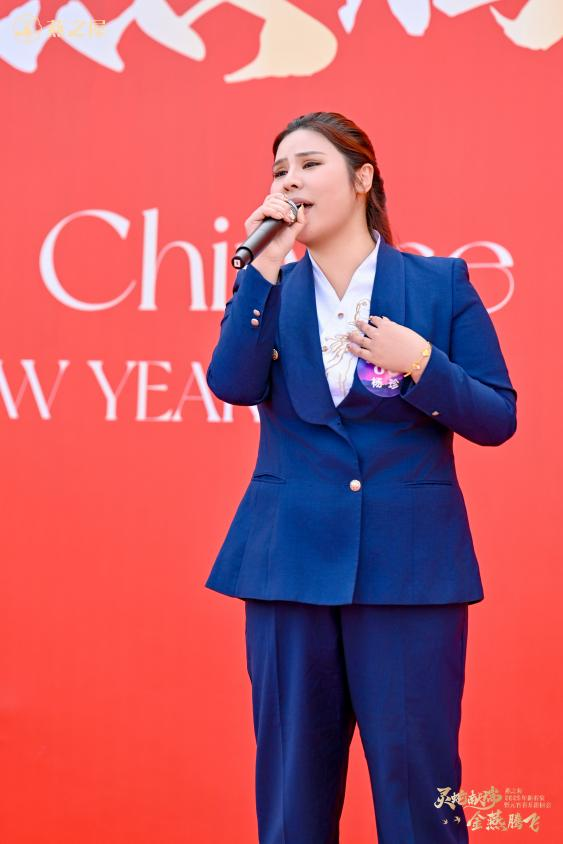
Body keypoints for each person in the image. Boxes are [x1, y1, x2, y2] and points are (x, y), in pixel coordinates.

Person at [204, 111, 517, 844]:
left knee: (420, 797)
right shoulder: (269, 287)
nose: (290, 181)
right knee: (293, 800)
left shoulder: (439, 285)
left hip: (409, 572)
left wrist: (421, 364)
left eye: (309, 164)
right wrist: (260, 271)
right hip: (288, 570)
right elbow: (232, 383)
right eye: (279, 170)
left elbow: (497, 417)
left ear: (362, 178)